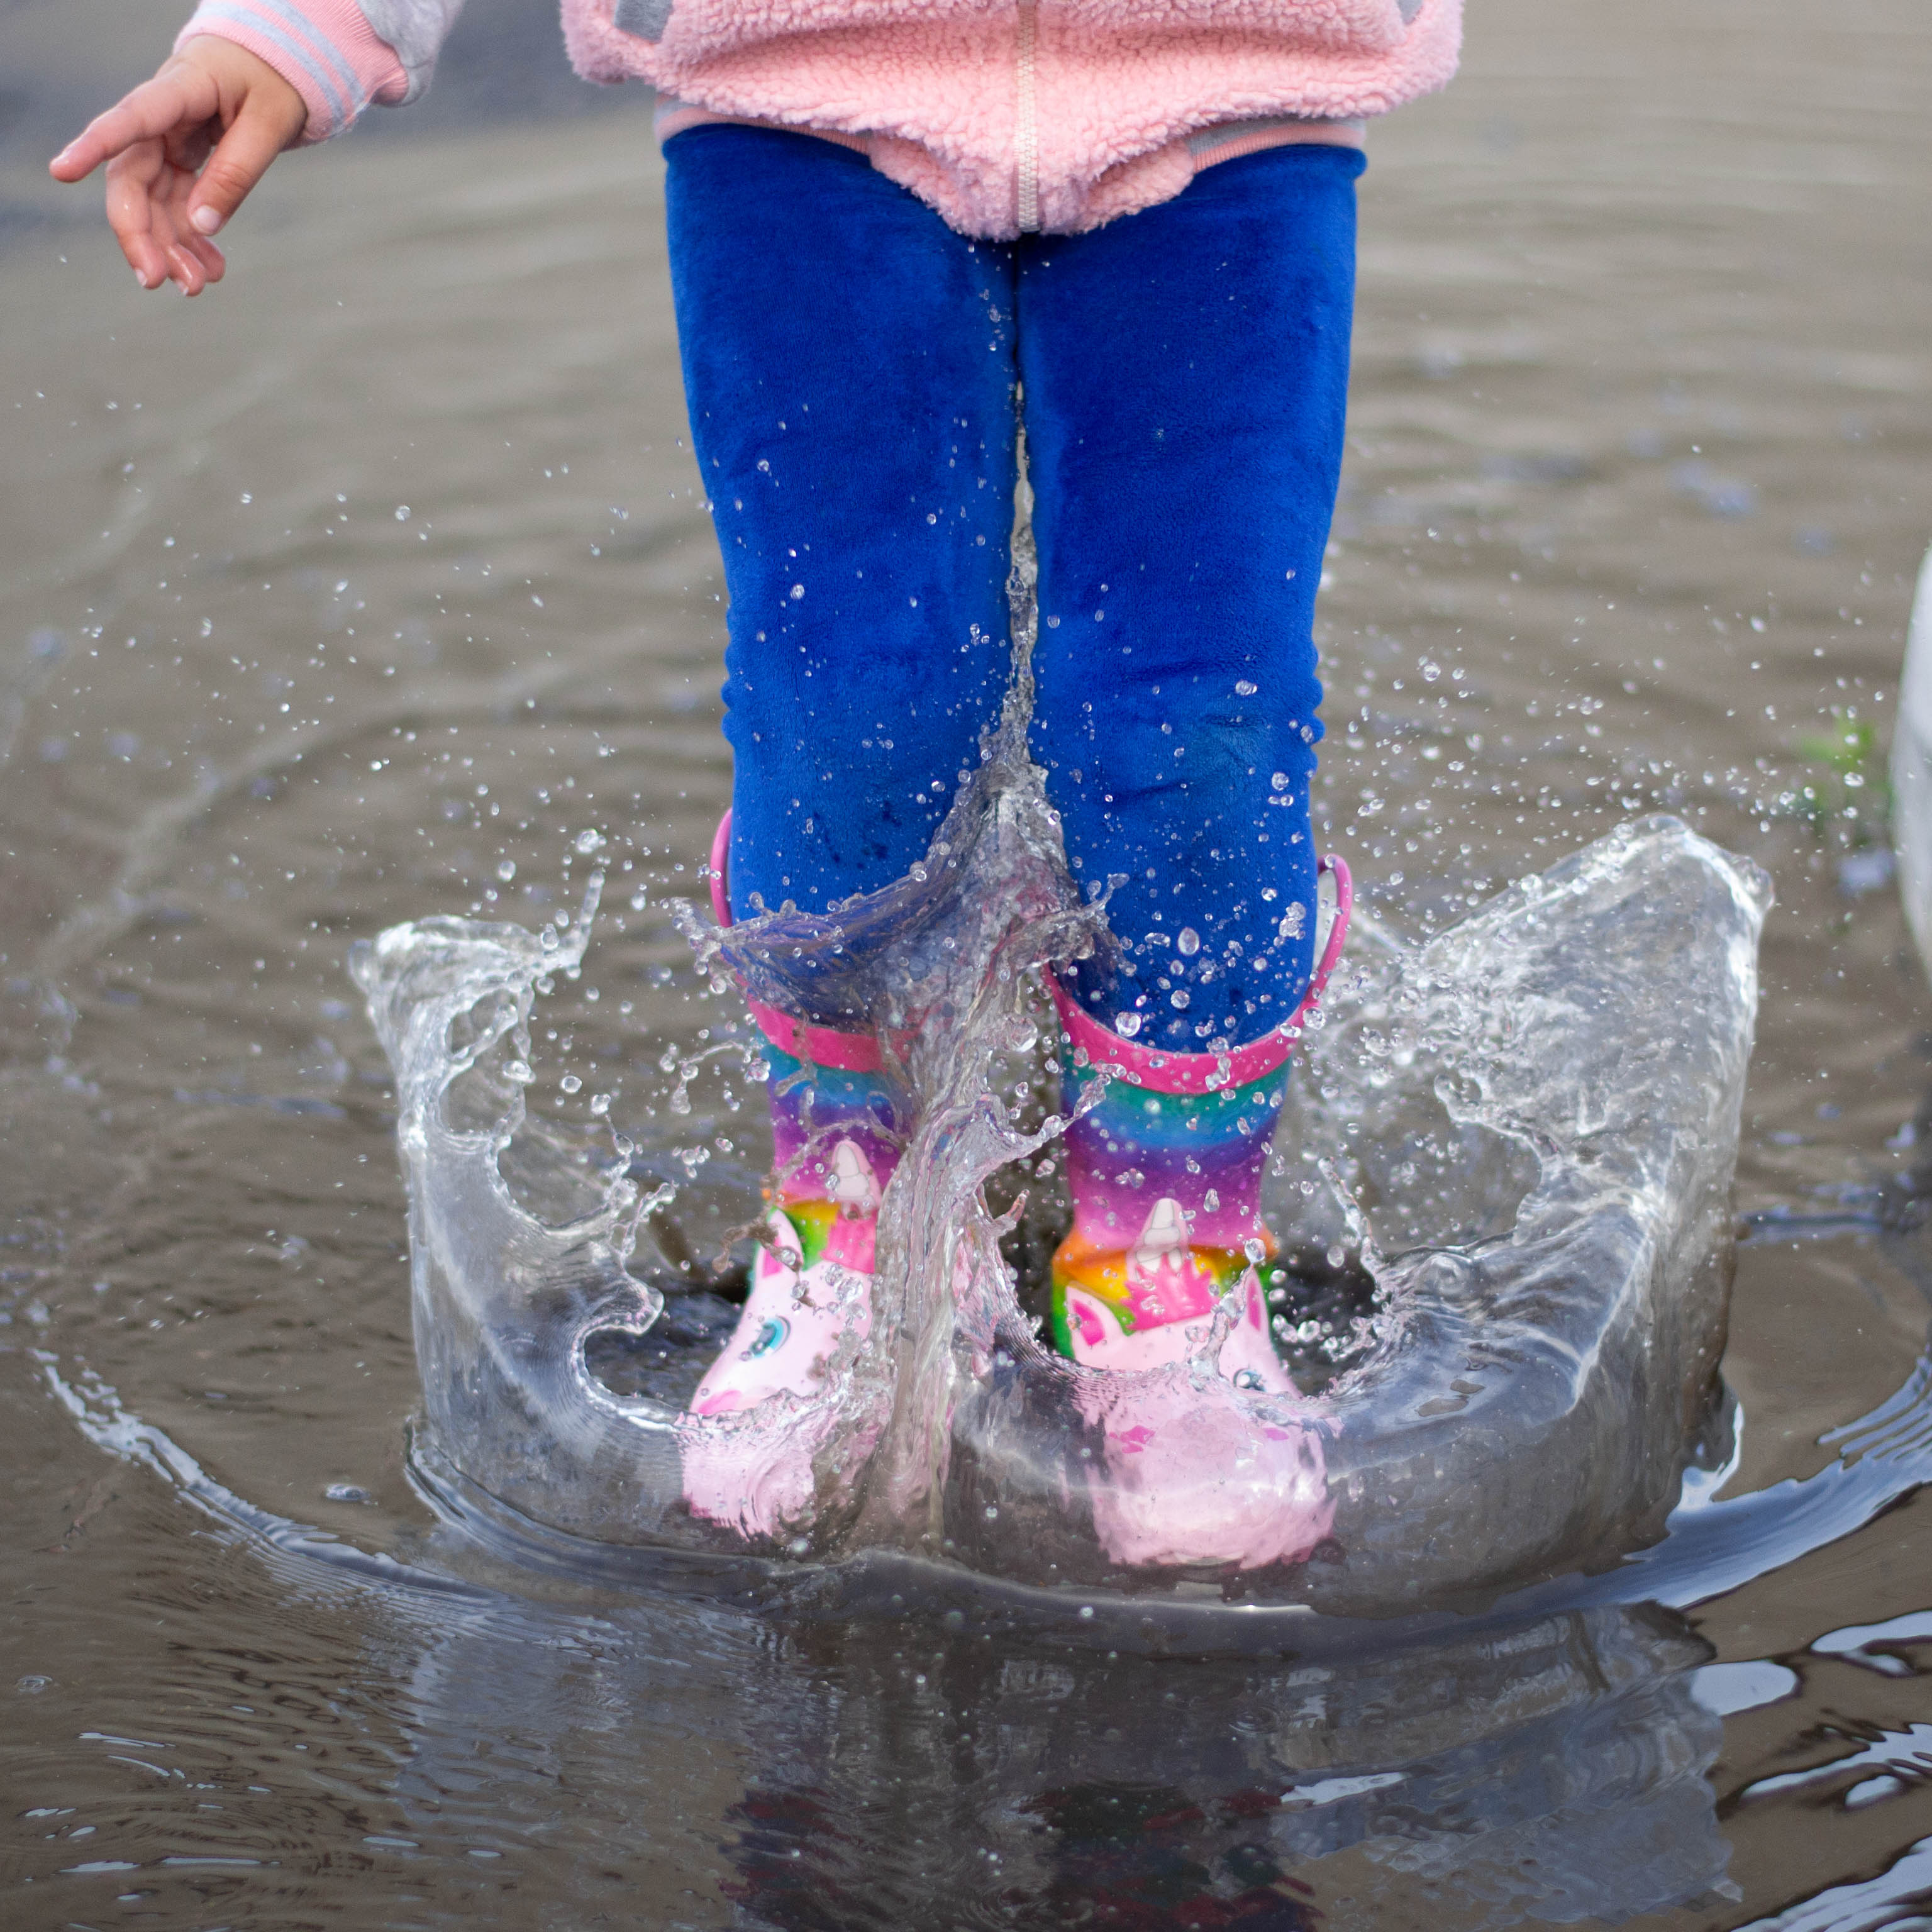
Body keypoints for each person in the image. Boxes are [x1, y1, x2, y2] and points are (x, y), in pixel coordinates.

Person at [53, 0, 1460, 1423]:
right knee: (854, 708)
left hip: (1229, 87)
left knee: (1194, 726)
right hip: (796, 99)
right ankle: (844, 1216)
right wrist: (305, 25)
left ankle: (1166, 1257)